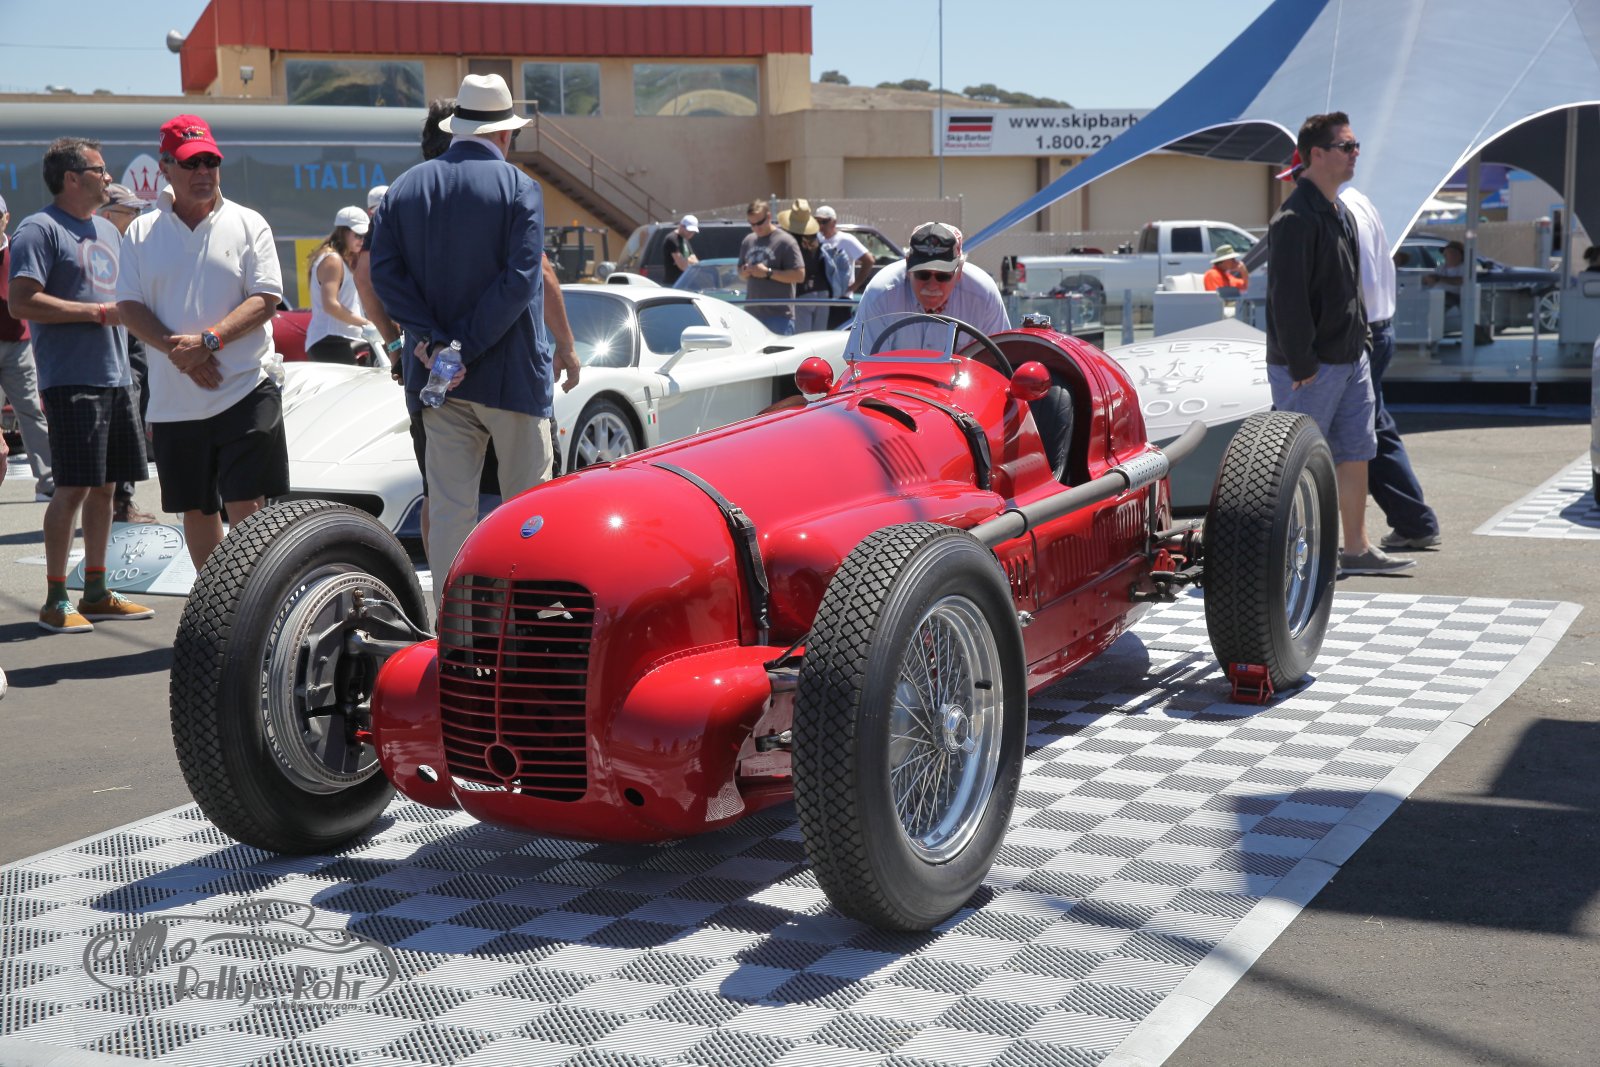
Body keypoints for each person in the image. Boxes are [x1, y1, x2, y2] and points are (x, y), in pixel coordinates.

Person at [370, 73, 580, 582]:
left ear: (458, 127)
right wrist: (461, 347)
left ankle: (453, 621)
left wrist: (433, 342)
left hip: (438, 382)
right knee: (529, 512)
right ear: (505, 133)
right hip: (511, 377)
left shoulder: (404, 189)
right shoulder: (520, 188)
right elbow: (523, 280)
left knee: (449, 512)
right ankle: (526, 617)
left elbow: (384, 276)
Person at [116, 114, 289, 572]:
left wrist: (208, 342)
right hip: (175, 402)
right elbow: (128, 307)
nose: (203, 172)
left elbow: (266, 298)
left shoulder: (248, 222)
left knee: (247, 504)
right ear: (165, 167)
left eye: (210, 161)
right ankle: (217, 603)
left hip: (246, 388)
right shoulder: (141, 232)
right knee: (196, 508)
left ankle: (253, 601)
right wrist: (183, 353)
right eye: (191, 163)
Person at [8, 137, 157, 632]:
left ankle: (95, 591)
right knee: (71, 489)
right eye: (99, 170)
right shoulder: (38, 229)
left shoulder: (108, 230)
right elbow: (21, 302)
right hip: (71, 379)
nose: (109, 177)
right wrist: (95, 313)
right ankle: (55, 599)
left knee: (106, 488)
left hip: (116, 377)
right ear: (71, 178)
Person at [1266, 111, 1411, 576]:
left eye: (1355, 145)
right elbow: (1286, 299)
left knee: (1355, 453)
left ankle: (1356, 549)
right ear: (1317, 154)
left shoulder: (1340, 211)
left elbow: (1352, 288)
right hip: (1311, 368)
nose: (1355, 154)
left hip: (1350, 358)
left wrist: (1362, 343)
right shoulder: (1294, 218)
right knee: (1300, 462)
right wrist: (1302, 364)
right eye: (1346, 146)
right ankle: (1299, 557)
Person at [1340, 185, 1442, 552]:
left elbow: (1350, 278)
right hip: (1378, 328)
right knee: (1375, 430)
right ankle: (1414, 521)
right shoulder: (1361, 202)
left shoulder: (1340, 208)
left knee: (1359, 436)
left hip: (1361, 332)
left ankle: (1411, 522)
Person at [95, 183, 158, 524]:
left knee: (134, 409)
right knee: (124, 410)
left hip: (135, 337)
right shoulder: (99, 247)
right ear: (108, 216)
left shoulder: (133, 245)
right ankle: (117, 503)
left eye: (138, 210)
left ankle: (122, 500)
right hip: (110, 339)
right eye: (130, 211)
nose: (136, 217)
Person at [855, 221, 1010, 349]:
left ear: (959, 271)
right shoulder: (880, 293)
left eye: (943, 276)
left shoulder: (984, 295)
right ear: (908, 267)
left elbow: (1000, 362)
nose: (932, 285)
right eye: (922, 274)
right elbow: (862, 366)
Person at [0, 192, 55, 505]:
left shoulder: (19, 249)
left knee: (32, 411)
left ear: (6, 218)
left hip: (19, 346)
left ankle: (49, 481)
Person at [303, 205, 374, 364]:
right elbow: (330, 305)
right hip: (329, 341)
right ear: (343, 232)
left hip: (344, 339)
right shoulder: (332, 259)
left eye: (365, 236)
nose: (362, 240)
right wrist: (367, 323)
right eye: (358, 235)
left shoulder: (346, 259)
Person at [737, 198, 805, 334]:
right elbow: (740, 271)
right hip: (751, 314)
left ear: (768, 217)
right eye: (752, 224)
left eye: (759, 223)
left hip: (779, 316)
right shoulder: (748, 241)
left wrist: (768, 273)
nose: (756, 228)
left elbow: (799, 275)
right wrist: (745, 271)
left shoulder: (785, 241)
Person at [815, 204, 874, 329]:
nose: (820, 226)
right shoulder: (816, 239)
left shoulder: (846, 240)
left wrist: (855, 285)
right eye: (817, 221)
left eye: (824, 222)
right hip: (822, 298)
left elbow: (868, 260)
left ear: (834, 222)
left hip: (841, 299)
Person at [778, 200, 830, 332]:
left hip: (803, 293)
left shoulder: (790, 241)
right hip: (822, 291)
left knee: (804, 339)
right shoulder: (817, 237)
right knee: (820, 338)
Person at [662, 214, 699, 286]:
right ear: (681, 226)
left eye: (693, 232)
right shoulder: (672, 239)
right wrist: (688, 261)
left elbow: (695, 260)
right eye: (689, 231)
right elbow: (683, 266)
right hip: (673, 284)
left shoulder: (684, 240)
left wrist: (687, 260)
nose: (691, 234)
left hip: (685, 283)